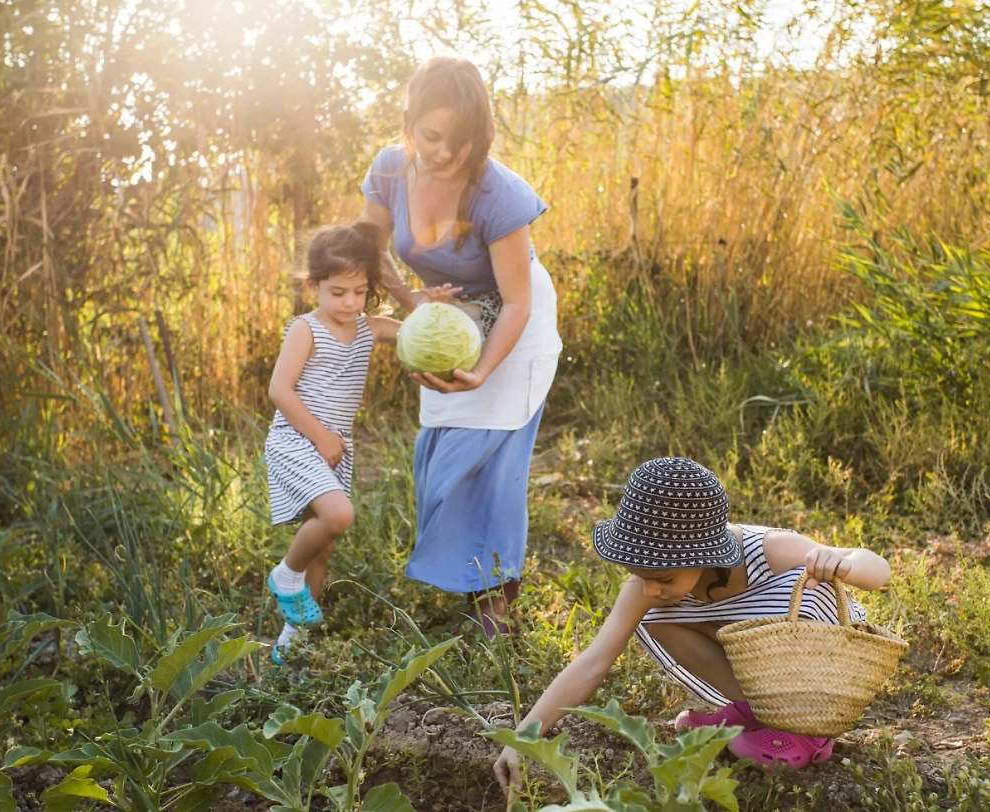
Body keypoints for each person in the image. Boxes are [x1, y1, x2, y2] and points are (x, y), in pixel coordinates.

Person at [493, 456, 893, 792]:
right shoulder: (646, 588)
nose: (650, 586)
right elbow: (593, 662)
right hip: (759, 671)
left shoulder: (771, 550)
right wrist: (524, 737)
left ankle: (808, 729)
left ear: (705, 553)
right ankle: (758, 711)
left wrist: (845, 564)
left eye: (663, 577)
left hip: (815, 671)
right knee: (654, 616)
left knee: (810, 589)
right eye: (639, 572)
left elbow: (880, 571)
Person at [360, 56, 563, 635]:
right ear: (410, 121)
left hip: (512, 327)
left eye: (461, 140)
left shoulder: (498, 192)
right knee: (443, 461)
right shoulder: (390, 170)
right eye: (432, 135)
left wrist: (483, 369)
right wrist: (410, 302)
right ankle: (474, 579)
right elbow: (371, 248)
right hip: (450, 320)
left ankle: (498, 604)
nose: (444, 152)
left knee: (490, 462)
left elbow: (518, 302)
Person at [264, 221, 425, 664]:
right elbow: (280, 390)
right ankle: (285, 574)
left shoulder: (368, 327)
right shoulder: (306, 329)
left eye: (359, 292)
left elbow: (415, 329)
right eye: (338, 292)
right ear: (314, 285)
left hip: (333, 449)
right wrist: (320, 436)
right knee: (338, 515)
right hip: (299, 440)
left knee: (323, 544)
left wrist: (434, 308)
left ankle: (291, 647)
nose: (349, 302)